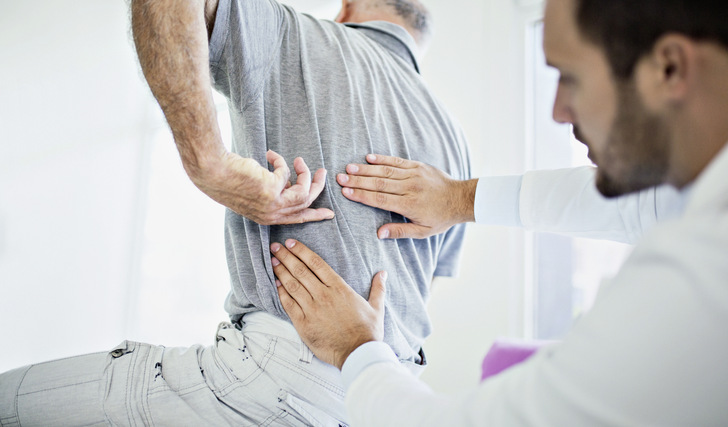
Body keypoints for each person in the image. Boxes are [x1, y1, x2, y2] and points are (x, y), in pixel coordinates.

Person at [0, 0, 473, 425]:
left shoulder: (299, 34)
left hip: (283, 380)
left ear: (347, 9)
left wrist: (210, 165)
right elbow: (413, 292)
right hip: (383, 398)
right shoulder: (456, 147)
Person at [270, 0, 728, 424]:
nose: (557, 111)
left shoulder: (702, 274)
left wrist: (357, 349)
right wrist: (459, 199)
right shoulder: (699, 204)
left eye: (570, 77)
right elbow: (639, 207)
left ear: (669, 67)